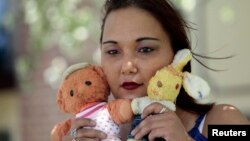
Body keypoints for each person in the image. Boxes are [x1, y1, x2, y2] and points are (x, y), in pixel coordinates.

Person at [62, 0, 249, 141]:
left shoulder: (222, 122)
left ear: (176, 55)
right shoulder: (96, 132)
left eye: (145, 49)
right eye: (113, 51)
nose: (128, 67)